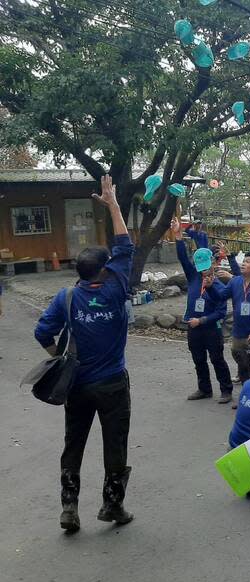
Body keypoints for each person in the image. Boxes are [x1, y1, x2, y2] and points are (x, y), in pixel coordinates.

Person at [34, 175, 134, 532]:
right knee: (115, 442)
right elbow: (126, 246)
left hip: (75, 385)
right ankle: (112, 506)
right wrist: (113, 204)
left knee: (73, 443)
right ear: (105, 270)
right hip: (111, 385)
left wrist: (59, 357)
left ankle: (69, 509)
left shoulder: (66, 297)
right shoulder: (115, 290)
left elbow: (42, 332)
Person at [196, 230, 250, 402]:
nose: (243, 264)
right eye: (243, 261)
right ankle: (247, 398)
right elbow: (220, 297)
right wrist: (210, 287)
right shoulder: (235, 281)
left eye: (247, 261)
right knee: (243, 366)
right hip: (239, 333)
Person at [175, 222, 233, 403]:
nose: (204, 271)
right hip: (193, 327)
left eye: (207, 266)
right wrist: (178, 237)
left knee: (217, 359)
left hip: (211, 328)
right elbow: (183, 259)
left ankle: (226, 390)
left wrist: (202, 321)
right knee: (198, 359)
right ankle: (204, 388)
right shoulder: (193, 277)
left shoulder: (218, 286)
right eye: (200, 267)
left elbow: (221, 312)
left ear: (214, 265)